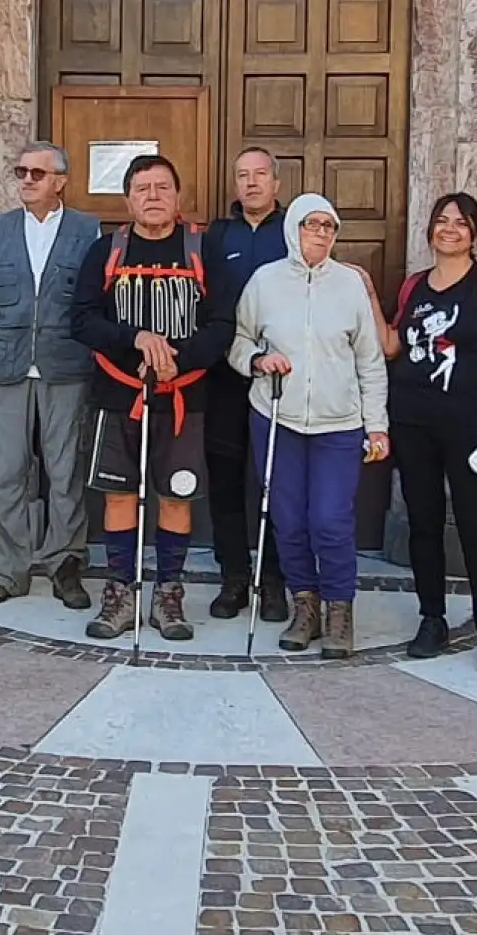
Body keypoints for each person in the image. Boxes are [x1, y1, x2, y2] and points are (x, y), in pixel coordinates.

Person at [69, 154, 237, 642]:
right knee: (119, 495)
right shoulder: (106, 252)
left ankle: (168, 594)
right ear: (128, 199)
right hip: (118, 396)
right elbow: (81, 319)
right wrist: (137, 339)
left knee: (176, 495)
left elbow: (223, 324)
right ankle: (120, 592)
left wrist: (175, 359)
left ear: (178, 196)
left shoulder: (200, 249)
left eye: (163, 187)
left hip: (184, 399)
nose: (153, 196)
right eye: (143, 188)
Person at [227, 194, 389, 659]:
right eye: (311, 224)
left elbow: (370, 360)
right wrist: (258, 360)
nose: (320, 233)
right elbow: (238, 341)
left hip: (339, 423)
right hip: (278, 417)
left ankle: (340, 610)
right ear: (293, 228)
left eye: (329, 226)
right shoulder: (265, 282)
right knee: (289, 519)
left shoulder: (351, 284)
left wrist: (376, 426)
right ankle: (306, 606)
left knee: (331, 520)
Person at [385, 193, 477, 675]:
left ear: (475, 234)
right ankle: (433, 619)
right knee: (423, 524)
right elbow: (393, 344)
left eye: (460, 224)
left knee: (476, 527)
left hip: (471, 427)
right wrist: (357, 288)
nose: (450, 230)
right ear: (430, 230)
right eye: (441, 221)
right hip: (414, 423)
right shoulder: (413, 288)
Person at [0, 142, 102, 610]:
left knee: (63, 470)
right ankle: (9, 568)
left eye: (37, 173)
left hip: (64, 364)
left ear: (60, 181)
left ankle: (65, 563)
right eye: (21, 172)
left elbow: (94, 297)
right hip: (7, 365)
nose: (26, 180)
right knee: (7, 469)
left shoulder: (87, 230)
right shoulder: (1, 228)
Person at [199, 147, 291, 624]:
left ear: (276, 183)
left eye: (260, 175)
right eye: (242, 176)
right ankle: (233, 575)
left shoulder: (295, 230)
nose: (251, 183)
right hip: (226, 375)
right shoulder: (218, 235)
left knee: (276, 478)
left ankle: (273, 579)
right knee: (227, 480)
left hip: (283, 376)